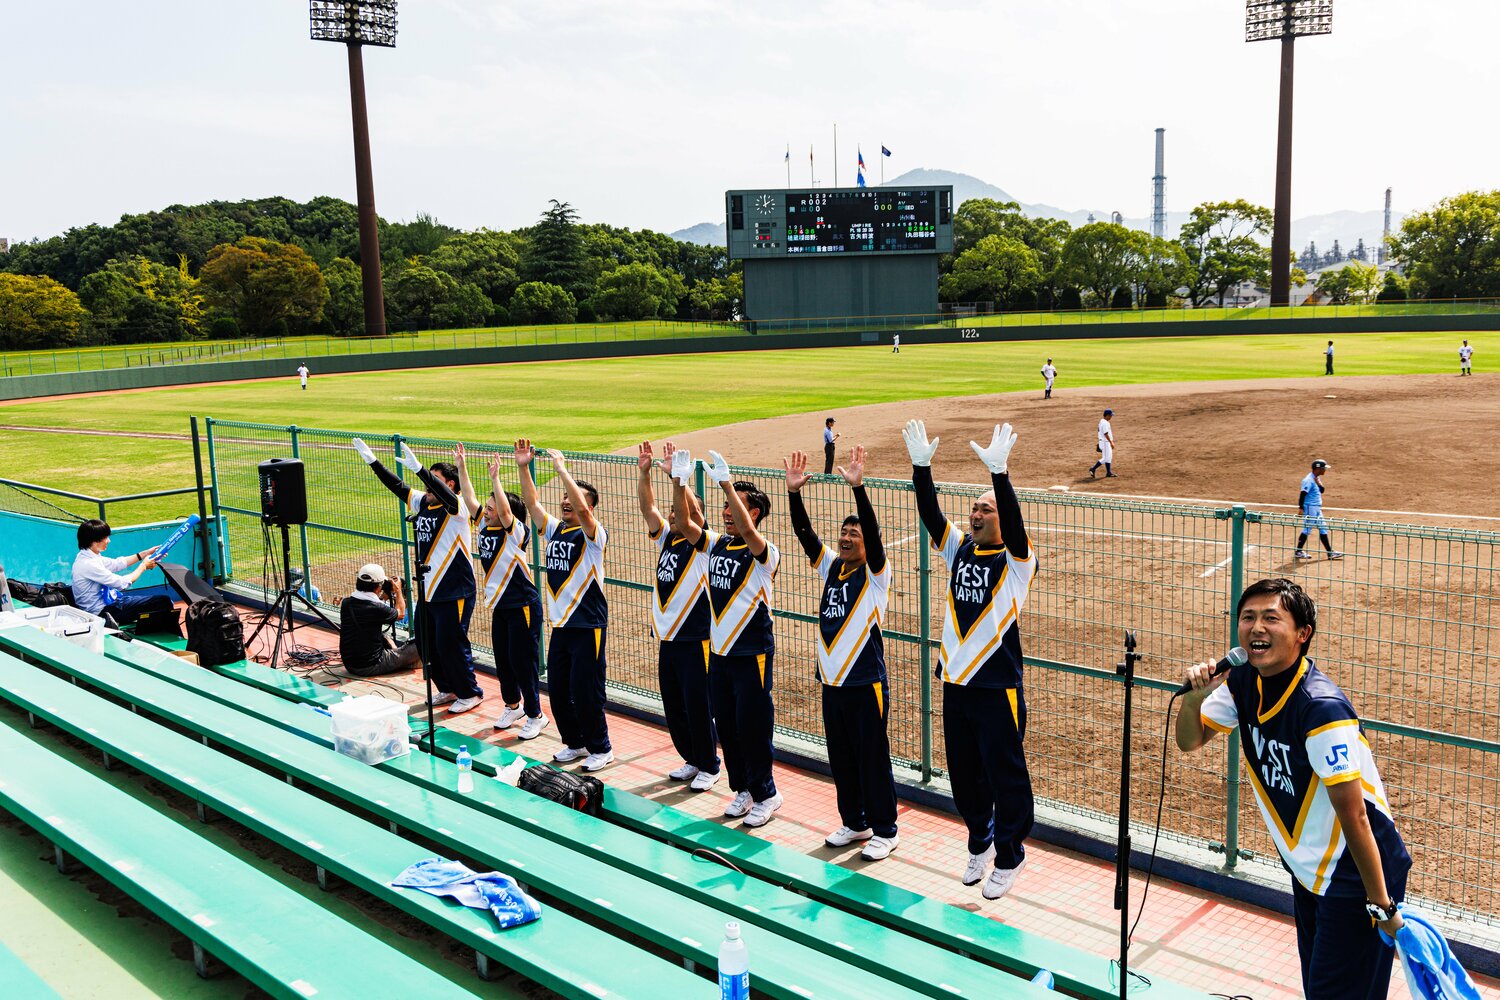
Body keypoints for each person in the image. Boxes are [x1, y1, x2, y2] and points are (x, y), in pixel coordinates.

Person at [1175, 578, 1410, 1000]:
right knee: (1322, 987)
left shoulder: (1320, 708)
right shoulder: (1244, 682)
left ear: (1303, 634)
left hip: (1357, 874)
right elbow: (1190, 740)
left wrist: (1381, 903)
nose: (1256, 628)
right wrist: (1194, 698)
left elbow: (1355, 815)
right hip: (1310, 869)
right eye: (1248, 617)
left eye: (1271, 618)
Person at [903, 419, 1038, 900]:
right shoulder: (960, 549)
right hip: (956, 683)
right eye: (974, 508)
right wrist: (922, 467)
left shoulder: (1018, 563)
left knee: (1004, 772)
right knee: (963, 772)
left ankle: (1009, 854)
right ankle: (980, 837)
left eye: (986, 509)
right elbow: (931, 514)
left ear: (1003, 517)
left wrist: (1000, 475)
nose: (976, 515)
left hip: (997, 686)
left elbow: (1019, 531)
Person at [785, 445, 898, 861]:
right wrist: (794, 494)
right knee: (843, 759)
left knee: (871, 758)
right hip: (831, 683)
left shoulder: (876, 575)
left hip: (865, 682)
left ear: (870, 544)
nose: (847, 537)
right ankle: (855, 822)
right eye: (844, 533)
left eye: (855, 534)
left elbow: (868, 525)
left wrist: (858, 490)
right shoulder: (833, 566)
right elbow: (805, 536)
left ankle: (886, 828)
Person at [671, 448, 783, 828]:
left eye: (733, 505)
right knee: (728, 726)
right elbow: (686, 525)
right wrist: (679, 481)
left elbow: (751, 534)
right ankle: (743, 789)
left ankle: (767, 793)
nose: (724, 511)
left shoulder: (764, 552)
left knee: (753, 727)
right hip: (720, 654)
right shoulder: (717, 543)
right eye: (723, 505)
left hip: (752, 653)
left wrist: (725, 481)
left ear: (752, 513)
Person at [351, 438, 485, 713]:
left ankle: (470, 692)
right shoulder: (424, 502)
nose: (427, 486)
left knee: (452, 643)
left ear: (449, 484)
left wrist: (420, 469)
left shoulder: (457, 508)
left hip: (454, 589)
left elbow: (447, 496)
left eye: (434, 480)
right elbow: (398, 487)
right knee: (426, 644)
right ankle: (447, 688)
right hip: (428, 588)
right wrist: (373, 462)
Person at [515, 439, 613, 771]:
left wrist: (562, 470)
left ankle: (601, 747)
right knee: (558, 691)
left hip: (588, 625)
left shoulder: (593, 534)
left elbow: (584, 512)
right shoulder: (555, 530)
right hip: (562, 626)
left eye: (573, 499)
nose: (566, 502)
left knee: (586, 691)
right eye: (565, 499)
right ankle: (575, 742)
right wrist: (523, 467)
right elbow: (531, 503)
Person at [637, 440, 719, 790]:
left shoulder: (703, 545)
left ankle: (710, 765)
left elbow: (693, 518)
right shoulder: (666, 539)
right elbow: (648, 508)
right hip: (668, 638)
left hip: (695, 638)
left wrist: (679, 481)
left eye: (680, 509)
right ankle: (692, 758)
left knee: (697, 706)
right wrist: (645, 474)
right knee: (674, 705)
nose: (673, 513)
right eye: (672, 510)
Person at [462, 449, 546, 740]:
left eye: (491, 507)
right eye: (487, 507)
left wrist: (496, 479)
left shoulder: (516, 532)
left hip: (523, 604)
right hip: (501, 606)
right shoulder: (486, 526)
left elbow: (507, 512)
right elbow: (471, 501)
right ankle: (513, 706)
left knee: (524, 662)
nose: (486, 511)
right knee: (504, 660)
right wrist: (462, 468)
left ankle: (536, 715)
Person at [70, 520, 172, 624]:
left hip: (109, 605)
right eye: (105, 537)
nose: (108, 541)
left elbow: (117, 563)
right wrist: (143, 566)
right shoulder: (88, 564)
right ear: (94, 541)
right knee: (163, 602)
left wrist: (145, 554)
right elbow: (122, 584)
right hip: (102, 613)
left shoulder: (87, 556)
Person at [338, 563, 420, 677]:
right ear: (378, 587)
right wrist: (398, 590)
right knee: (420, 644)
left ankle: (397, 657)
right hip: (370, 666)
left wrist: (382, 595)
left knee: (383, 636)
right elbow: (400, 613)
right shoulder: (377, 608)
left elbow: (370, 611)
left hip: (350, 664)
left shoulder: (346, 603)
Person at [1296, 459, 1343, 561]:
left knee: (1323, 528)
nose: (1325, 470)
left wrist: (1318, 483)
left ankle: (1330, 553)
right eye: (1324, 468)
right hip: (1309, 507)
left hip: (1317, 507)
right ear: (1318, 468)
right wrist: (1301, 508)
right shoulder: (1308, 480)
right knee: (1307, 529)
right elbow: (1302, 494)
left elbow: (1322, 490)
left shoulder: (1316, 478)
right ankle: (1298, 551)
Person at [1088, 408, 1116, 479]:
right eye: (1110, 415)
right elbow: (1106, 434)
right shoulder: (1105, 423)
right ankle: (1093, 469)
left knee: (1109, 457)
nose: (1111, 417)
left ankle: (1108, 472)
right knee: (1105, 458)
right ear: (1107, 415)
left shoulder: (1102, 421)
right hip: (1105, 443)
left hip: (1104, 442)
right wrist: (1111, 442)